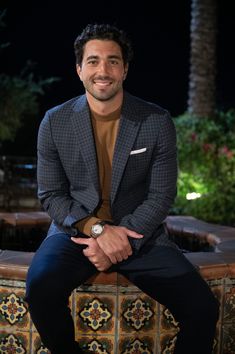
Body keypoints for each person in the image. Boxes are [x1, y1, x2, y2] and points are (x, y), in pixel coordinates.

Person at [26, 23, 219, 354]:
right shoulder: (54, 121)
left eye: (113, 61)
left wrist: (121, 235)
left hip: (140, 236)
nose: (103, 70)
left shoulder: (155, 121)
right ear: (79, 69)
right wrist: (99, 230)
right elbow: (52, 195)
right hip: (74, 232)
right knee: (40, 287)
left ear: (125, 69)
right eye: (93, 60)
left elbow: (161, 196)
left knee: (203, 308)